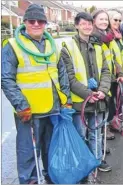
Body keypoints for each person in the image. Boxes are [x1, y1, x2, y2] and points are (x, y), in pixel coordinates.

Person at [1, 4, 71, 184]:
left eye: (40, 21)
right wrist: (21, 105)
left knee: (52, 151)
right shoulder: (13, 46)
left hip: (53, 109)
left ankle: (52, 178)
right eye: (32, 21)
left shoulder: (51, 45)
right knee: (28, 154)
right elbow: (6, 79)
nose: (36, 24)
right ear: (25, 22)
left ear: (45, 23)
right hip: (30, 112)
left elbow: (61, 73)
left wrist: (66, 99)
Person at [60, 12, 112, 178]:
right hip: (80, 103)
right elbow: (69, 78)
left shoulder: (98, 46)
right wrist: (89, 94)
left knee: (96, 135)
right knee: (81, 136)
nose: (87, 27)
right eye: (83, 24)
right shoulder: (68, 47)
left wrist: (103, 91)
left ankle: (95, 164)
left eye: (90, 24)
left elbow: (106, 70)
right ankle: (83, 169)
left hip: (98, 101)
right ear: (76, 25)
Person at [91, 9, 123, 140]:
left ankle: (108, 124)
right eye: (102, 19)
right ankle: (102, 130)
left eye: (106, 19)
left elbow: (114, 58)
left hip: (111, 76)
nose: (104, 22)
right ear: (94, 21)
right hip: (99, 78)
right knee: (103, 105)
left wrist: (121, 72)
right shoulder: (93, 37)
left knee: (112, 103)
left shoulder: (109, 36)